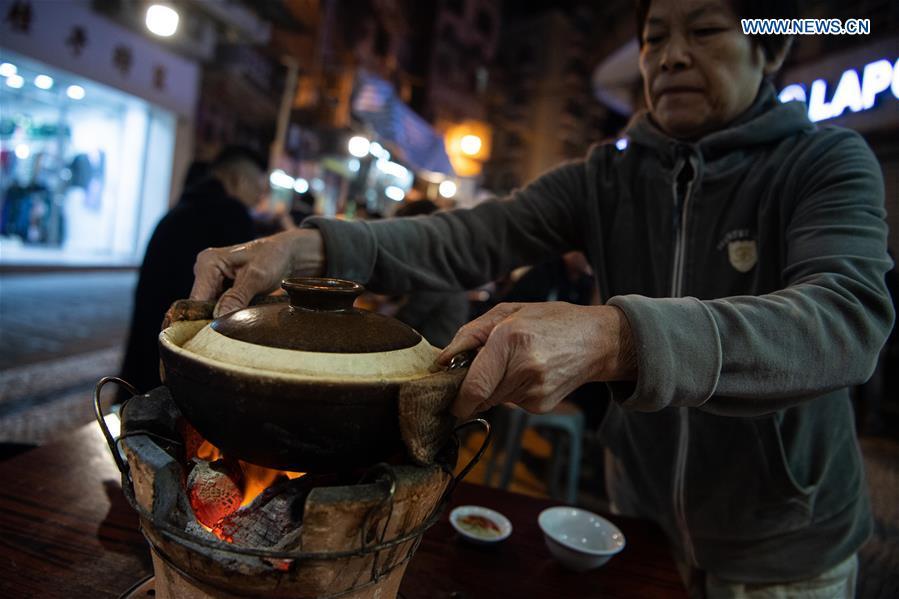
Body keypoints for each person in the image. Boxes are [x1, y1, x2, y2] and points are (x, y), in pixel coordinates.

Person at [188, 0, 893, 596]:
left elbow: (846, 320)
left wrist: (616, 336)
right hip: (634, 515)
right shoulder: (606, 176)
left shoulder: (824, 162)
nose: (669, 56)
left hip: (785, 541)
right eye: (653, 37)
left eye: (704, 30)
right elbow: (469, 235)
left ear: (771, 49)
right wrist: (306, 248)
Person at [119, 145, 266, 396]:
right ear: (237, 180)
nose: (259, 198)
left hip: (149, 342)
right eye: (257, 188)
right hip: (183, 352)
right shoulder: (231, 213)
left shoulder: (180, 210)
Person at [391, 199, 470, 347]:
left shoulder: (438, 269)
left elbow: (406, 319)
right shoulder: (442, 261)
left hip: (434, 355)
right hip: (430, 347)